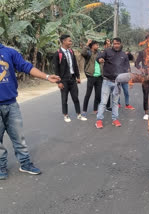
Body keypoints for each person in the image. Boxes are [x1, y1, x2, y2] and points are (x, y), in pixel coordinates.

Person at [0, 43, 61, 179]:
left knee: (19, 137)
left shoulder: (9, 52)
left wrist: (46, 77)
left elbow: (26, 66)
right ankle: (1, 166)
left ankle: (25, 163)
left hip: (11, 104)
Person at [95, 38, 130, 128]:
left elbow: (127, 68)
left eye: (118, 43)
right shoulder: (107, 51)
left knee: (115, 103)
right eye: (114, 44)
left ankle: (115, 119)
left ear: (120, 44)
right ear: (112, 44)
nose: (116, 45)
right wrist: (100, 59)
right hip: (107, 81)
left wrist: (129, 79)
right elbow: (98, 57)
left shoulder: (124, 55)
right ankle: (99, 120)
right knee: (103, 102)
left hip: (117, 83)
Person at [52, 35, 87, 122]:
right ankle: (66, 115)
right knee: (64, 99)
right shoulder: (58, 54)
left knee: (75, 97)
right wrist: (58, 82)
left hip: (72, 78)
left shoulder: (71, 52)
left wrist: (78, 77)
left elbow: (75, 65)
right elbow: (56, 69)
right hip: (63, 80)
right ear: (64, 41)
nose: (71, 42)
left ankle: (79, 114)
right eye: (69, 41)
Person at [81, 39, 102, 118]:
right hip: (91, 76)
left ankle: (95, 109)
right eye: (96, 45)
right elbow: (82, 53)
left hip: (99, 76)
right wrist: (87, 44)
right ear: (92, 46)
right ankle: (84, 110)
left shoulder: (99, 53)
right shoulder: (88, 53)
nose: (98, 46)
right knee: (88, 94)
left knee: (98, 94)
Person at [135, 49, 149, 120]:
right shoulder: (142, 52)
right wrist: (142, 70)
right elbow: (136, 63)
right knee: (146, 95)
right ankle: (146, 112)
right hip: (145, 77)